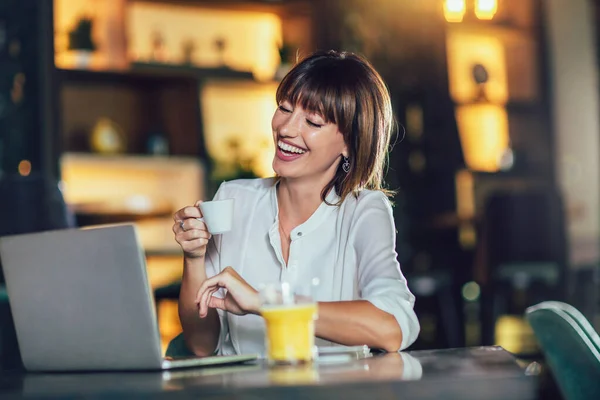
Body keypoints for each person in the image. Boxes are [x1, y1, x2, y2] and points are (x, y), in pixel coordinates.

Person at [173, 50, 419, 357]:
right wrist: (194, 258)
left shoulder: (364, 211)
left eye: (313, 122)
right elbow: (201, 345)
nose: (287, 129)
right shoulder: (233, 198)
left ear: (350, 142)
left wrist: (268, 303)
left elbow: (392, 328)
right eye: (284, 108)